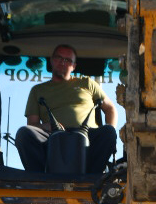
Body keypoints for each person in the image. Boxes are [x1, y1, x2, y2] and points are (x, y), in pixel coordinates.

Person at [15, 44, 117, 173]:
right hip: (51, 136)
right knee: (23, 134)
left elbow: (110, 109)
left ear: (74, 66)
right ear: (52, 60)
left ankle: (93, 178)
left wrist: (111, 128)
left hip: (87, 134)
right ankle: (41, 179)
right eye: (59, 58)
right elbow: (32, 124)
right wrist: (47, 126)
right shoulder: (37, 90)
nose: (62, 62)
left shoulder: (87, 83)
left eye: (68, 60)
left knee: (109, 132)